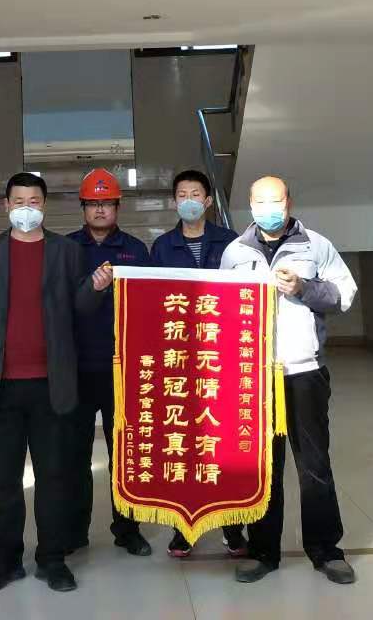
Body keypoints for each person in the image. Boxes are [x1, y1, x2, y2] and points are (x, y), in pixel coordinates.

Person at [0, 172, 107, 595]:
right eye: (19, 201)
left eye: (34, 201)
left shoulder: (67, 251)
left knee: (53, 477)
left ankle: (52, 558)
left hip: (52, 382)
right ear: (6, 206)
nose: (27, 208)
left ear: (44, 206)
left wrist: (97, 289)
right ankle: (6, 558)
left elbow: (80, 306)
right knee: (5, 478)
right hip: (1, 384)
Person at [219, 176, 358, 586]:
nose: (269, 209)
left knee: (314, 465)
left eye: (275, 201)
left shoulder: (316, 245)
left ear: (289, 202)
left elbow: (343, 295)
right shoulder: (235, 251)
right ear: (250, 205)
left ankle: (326, 550)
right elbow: (222, 309)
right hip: (255, 376)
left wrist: (303, 287)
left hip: (304, 371)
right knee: (263, 467)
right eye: (261, 202)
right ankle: (263, 552)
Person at [148, 169, 247, 560]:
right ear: (174, 202)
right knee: (182, 445)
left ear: (208, 201)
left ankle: (232, 527)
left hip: (223, 355)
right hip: (179, 359)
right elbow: (151, 302)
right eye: (181, 194)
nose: (188, 200)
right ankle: (183, 529)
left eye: (195, 194)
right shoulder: (162, 246)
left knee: (225, 443)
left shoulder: (232, 242)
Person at [66, 168, 154, 557]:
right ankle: (75, 530)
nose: (100, 210)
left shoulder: (136, 250)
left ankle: (127, 529)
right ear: (83, 207)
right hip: (77, 367)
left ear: (118, 206)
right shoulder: (66, 248)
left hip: (123, 368)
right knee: (75, 454)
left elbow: (151, 307)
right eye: (93, 203)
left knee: (126, 452)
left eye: (106, 203)